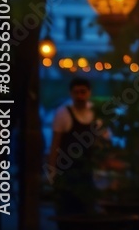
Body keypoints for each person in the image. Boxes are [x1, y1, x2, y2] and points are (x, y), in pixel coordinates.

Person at [48, 78, 108, 215]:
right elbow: (55, 144)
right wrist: (52, 171)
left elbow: (103, 143)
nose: (80, 96)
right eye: (76, 92)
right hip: (67, 172)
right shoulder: (63, 113)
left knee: (87, 211)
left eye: (83, 92)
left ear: (89, 93)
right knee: (67, 211)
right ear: (71, 94)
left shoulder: (96, 114)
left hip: (88, 173)